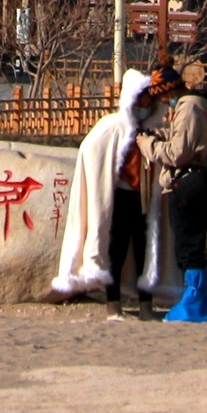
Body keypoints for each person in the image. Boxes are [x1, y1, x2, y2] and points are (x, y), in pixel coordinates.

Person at [49, 67, 160, 316]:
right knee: (116, 250)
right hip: (119, 196)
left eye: (149, 96)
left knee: (146, 252)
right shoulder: (113, 126)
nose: (147, 102)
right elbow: (91, 150)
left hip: (144, 197)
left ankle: (146, 306)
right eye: (143, 96)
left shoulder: (152, 126)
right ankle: (113, 304)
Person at [146, 63, 207, 322]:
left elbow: (179, 152)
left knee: (189, 245)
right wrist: (163, 134)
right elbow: (185, 138)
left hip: (188, 182)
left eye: (162, 96)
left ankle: (194, 303)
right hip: (196, 182)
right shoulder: (193, 106)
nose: (163, 102)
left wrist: (149, 145)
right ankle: (198, 300)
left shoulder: (188, 107)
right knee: (191, 243)